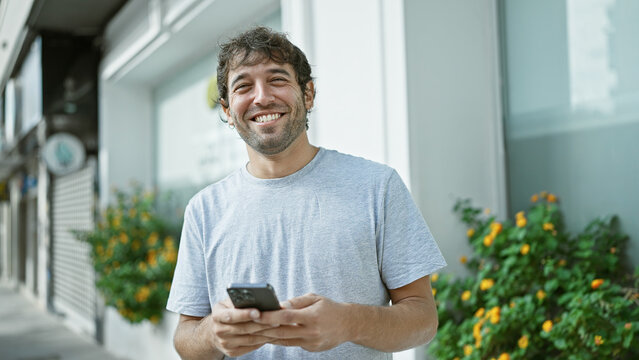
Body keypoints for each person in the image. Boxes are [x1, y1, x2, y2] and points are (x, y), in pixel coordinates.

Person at [166, 26, 447, 359]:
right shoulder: (204, 209)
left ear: (308, 94)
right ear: (227, 110)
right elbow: (186, 339)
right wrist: (213, 333)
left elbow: (423, 319)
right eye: (243, 86)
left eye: (278, 80)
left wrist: (348, 323)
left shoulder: (377, 186)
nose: (261, 97)